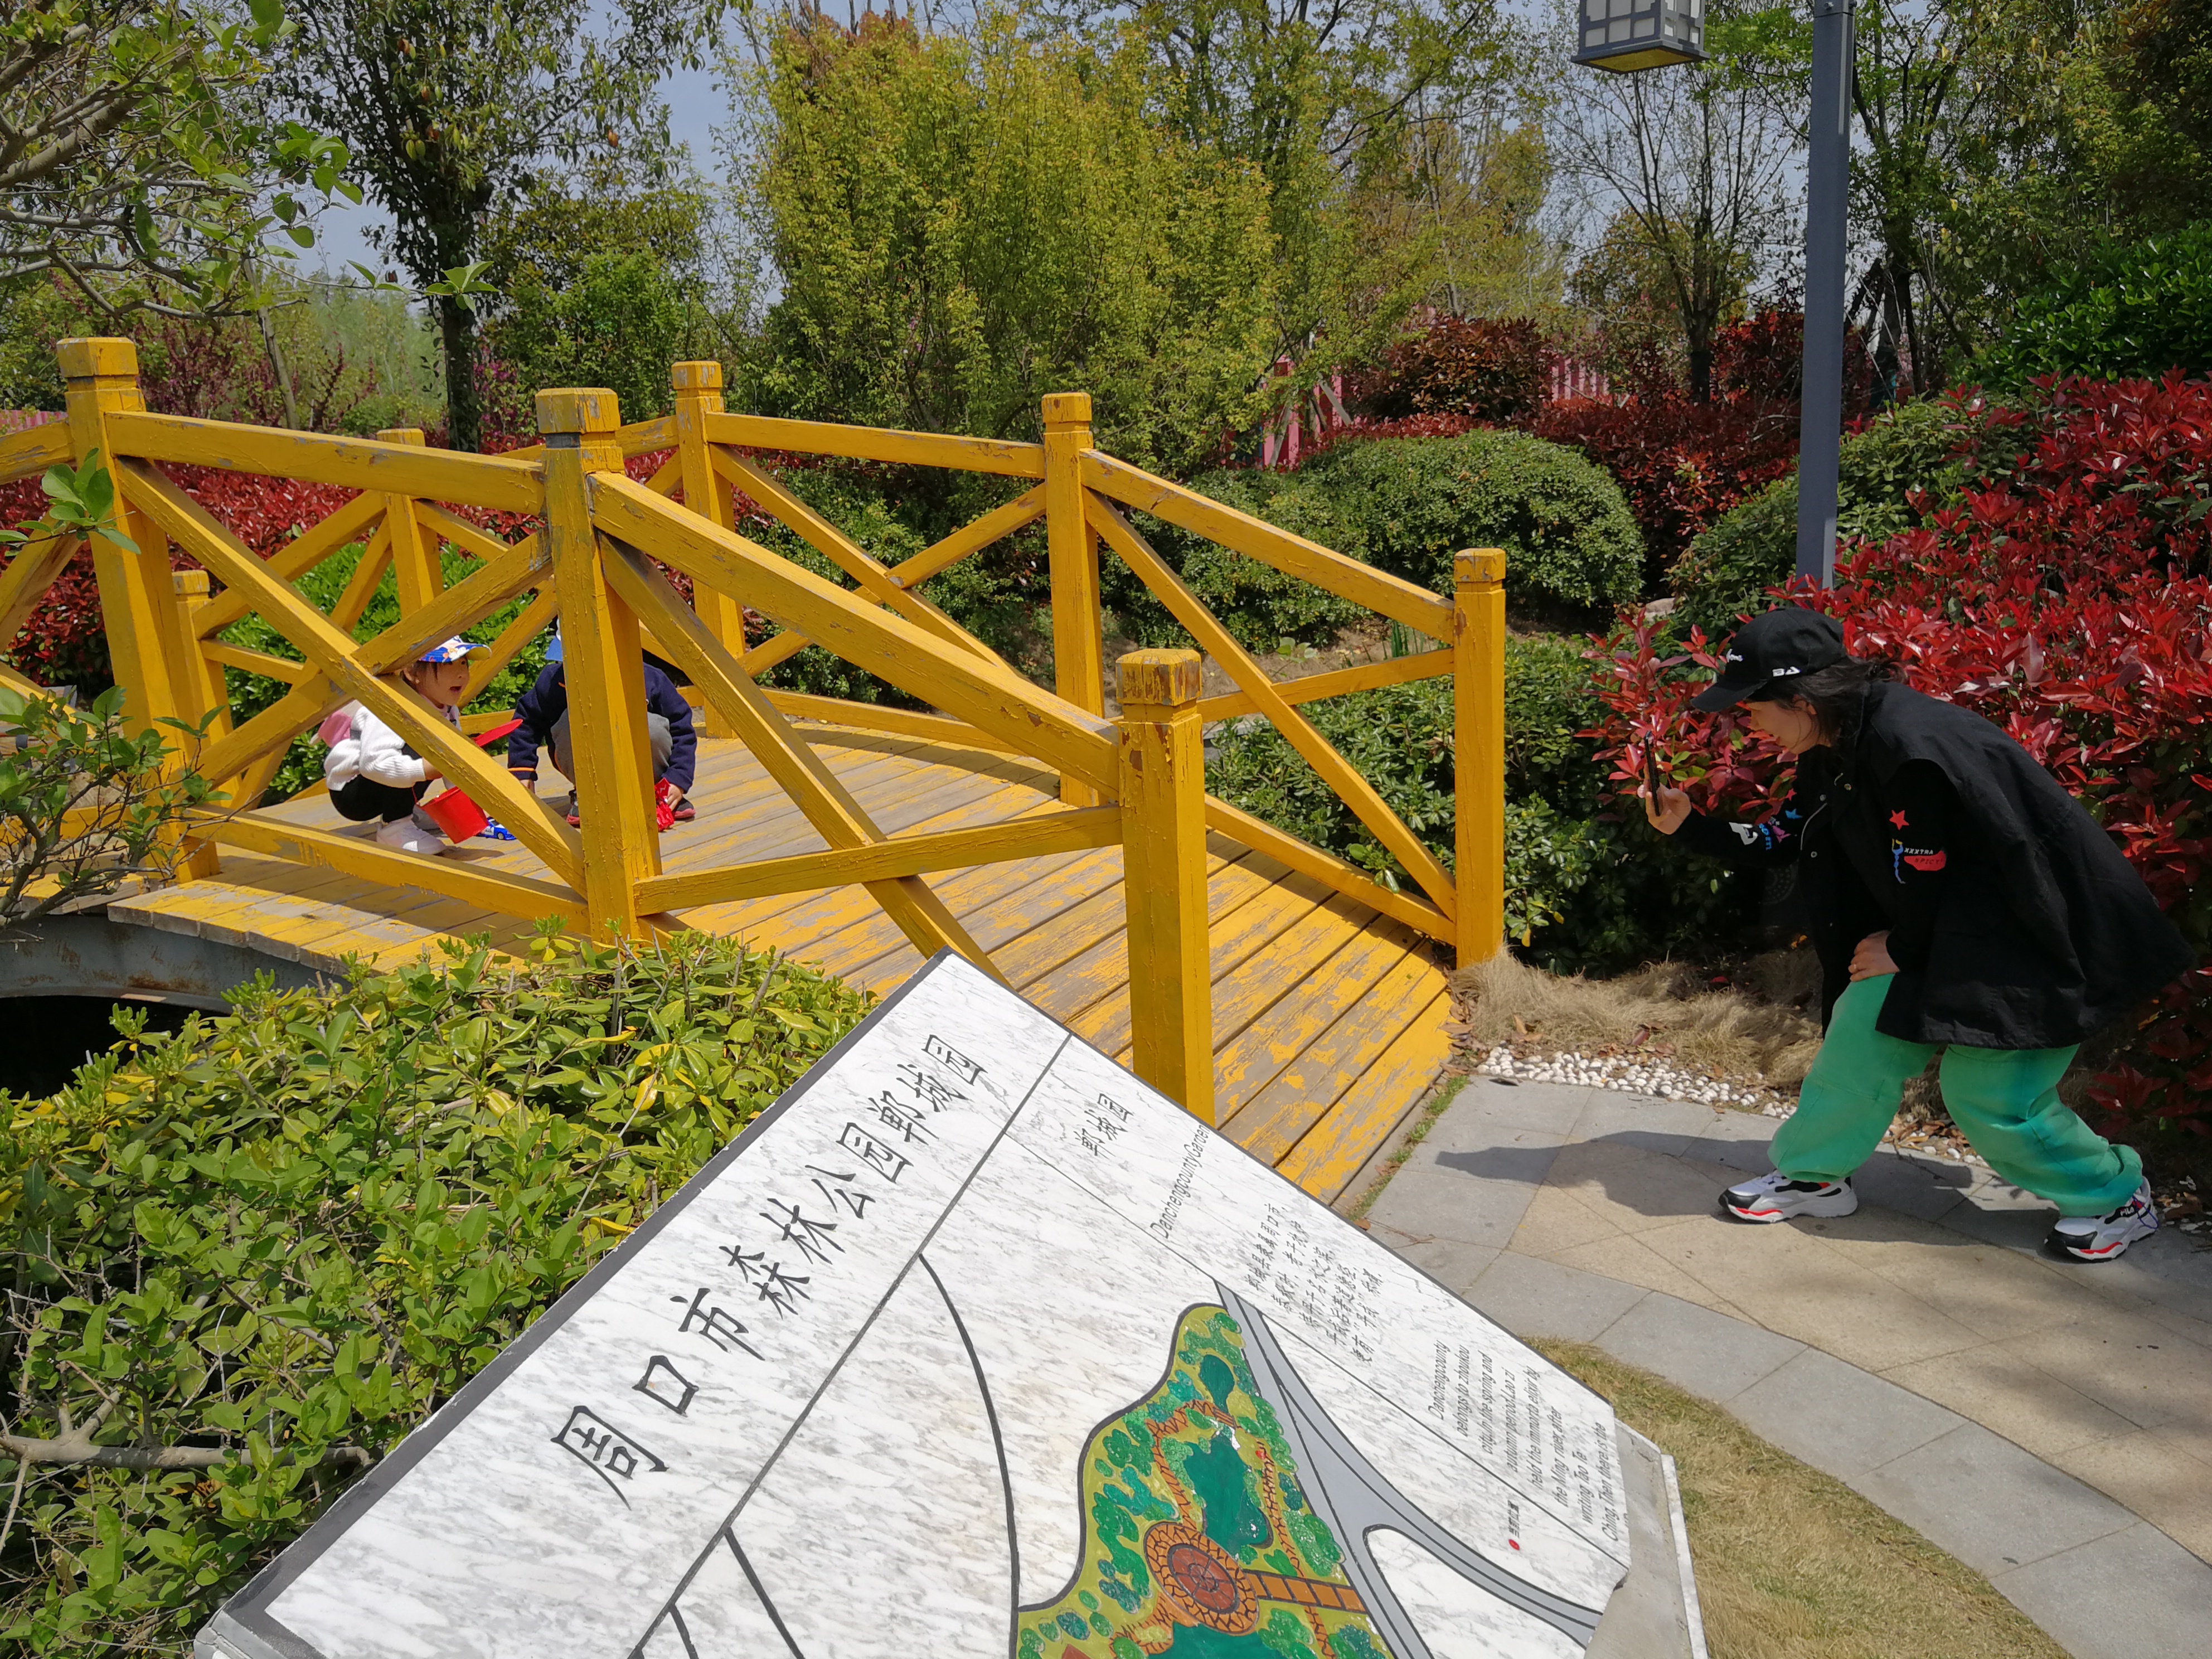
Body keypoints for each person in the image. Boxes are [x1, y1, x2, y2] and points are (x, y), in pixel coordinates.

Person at [1645, 607, 2191, 1262]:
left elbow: (1957, 876)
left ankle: (2114, 1195)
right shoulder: (1832, 744)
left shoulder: (1909, 749)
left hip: (2034, 940)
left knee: (1989, 1094)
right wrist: (1689, 826)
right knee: (1859, 1034)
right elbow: (1788, 836)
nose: (1748, 724)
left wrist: (1901, 950)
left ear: (1801, 701)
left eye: (1752, 709)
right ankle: (1814, 1177)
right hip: (1941, 934)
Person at [506, 633, 697, 829]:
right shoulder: (553, 680)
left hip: (645, 764)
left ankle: (658, 791)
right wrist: (522, 772)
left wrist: (677, 779)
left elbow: (682, 729)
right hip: (586, 764)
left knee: (652, 726)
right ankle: (587, 793)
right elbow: (526, 722)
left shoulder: (650, 677)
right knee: (569, 721)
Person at [323, 637, 487, 856]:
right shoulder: (392, 707)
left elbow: (452, 758)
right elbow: (372, 764)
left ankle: (408, 813)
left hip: (379, 782)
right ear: (412, 673)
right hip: (353, 792)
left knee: (440, 749)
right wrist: (423, 769)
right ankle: (395, 828)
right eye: (448, 664)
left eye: (464, 663)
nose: (461, 674)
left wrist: (466, 808)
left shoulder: (449, 710)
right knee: (424, 748)